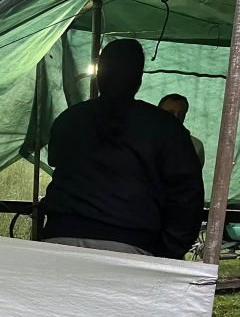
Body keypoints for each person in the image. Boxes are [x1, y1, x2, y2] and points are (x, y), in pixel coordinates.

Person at [41, 39, 204, 259]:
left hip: (60, 239)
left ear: (99, 76)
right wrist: (166, 251)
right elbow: (187, 197)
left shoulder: (69, 119)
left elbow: (58, 165)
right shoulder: (165, 128)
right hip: (131, 245)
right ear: (138, 80)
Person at [158, 93, 205, 168]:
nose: (176, 117)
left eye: (181, 114)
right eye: (170, 112)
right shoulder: (144, 140)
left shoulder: (196, 146)